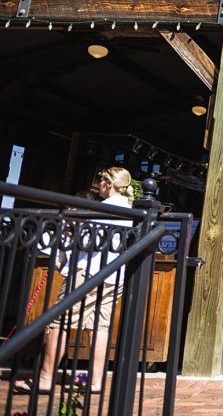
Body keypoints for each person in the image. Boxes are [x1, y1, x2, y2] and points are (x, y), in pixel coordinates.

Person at [16, 167, 134, 395]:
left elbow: (86, 242)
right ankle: (96, 381)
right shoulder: (129, 211)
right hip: (112, 275)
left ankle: (45, 377)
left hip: (86, 272)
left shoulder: (103, 209)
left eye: (101, 180)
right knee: (99, 325)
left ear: (109, 184)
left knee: (59, 321)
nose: (98, 185)